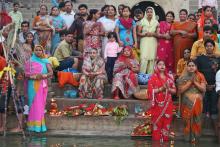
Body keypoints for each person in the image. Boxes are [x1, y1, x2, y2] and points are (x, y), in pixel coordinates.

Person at [25, 45, 53, 132]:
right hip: (32, 85)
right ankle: (32, 126)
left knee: (39, 105)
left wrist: (43, 76)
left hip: (41, 85)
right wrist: (34, 77)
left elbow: (51, 72)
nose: (38, 51)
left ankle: (39, 126)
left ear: (42, 51)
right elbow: (25, 74)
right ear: (34, 51)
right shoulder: (30, 61)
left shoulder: (45, 61)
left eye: (40, 50)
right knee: (32, 104)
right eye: (36, 50)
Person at [177, 60, 206, 143]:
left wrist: (195, 82)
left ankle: (196, 140)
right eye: (189, 66)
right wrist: (190, 83)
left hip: (197, 102)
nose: (191, 67)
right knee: (187, 120)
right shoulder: (182, 77)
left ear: (196, 67)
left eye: (193, 65)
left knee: (197, 120)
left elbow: (203, 89)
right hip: (186, 102)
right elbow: (180, 91)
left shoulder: (200, 76)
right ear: (187, 67)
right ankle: (187, 140)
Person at [147, 60, 176, 141]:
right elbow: (150, 91)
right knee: (156, 125)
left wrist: (168, 89)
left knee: (166, 125)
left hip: (167, 104)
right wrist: (161, 89)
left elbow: (174, 91)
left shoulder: (169, 78)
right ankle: (156, 143)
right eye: (159, 64)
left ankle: (165, 142)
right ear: (156, 66)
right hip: (156, 105)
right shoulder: (153, 77)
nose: (162, 66)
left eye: (163, 64)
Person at [195, 39, 220, 118]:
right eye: (207, 46)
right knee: (204, 104)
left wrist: (215, 85)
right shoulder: (199, 59)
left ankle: (214, 125)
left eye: (211, 46)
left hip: (215, 86)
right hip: (203, 86)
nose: (209, 48)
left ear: (213, 47)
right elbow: (196, 72)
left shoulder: (218, 58)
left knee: (214, 105)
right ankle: (202, 124)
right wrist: (203, 84)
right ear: (205, 47)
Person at [137, 7, 159, 74]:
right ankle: (142, 76)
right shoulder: (142, 21)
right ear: (146, 13)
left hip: (153, 41)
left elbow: (158, 34)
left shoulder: (156, 22)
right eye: (148, 12)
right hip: (144, 40)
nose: (149, 13)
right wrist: (144, 34)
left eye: (151, 12)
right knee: (144, 57)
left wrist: (152, 33)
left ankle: (150, 77)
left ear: (153, 13)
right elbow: (138, 33)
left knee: (152, 58)